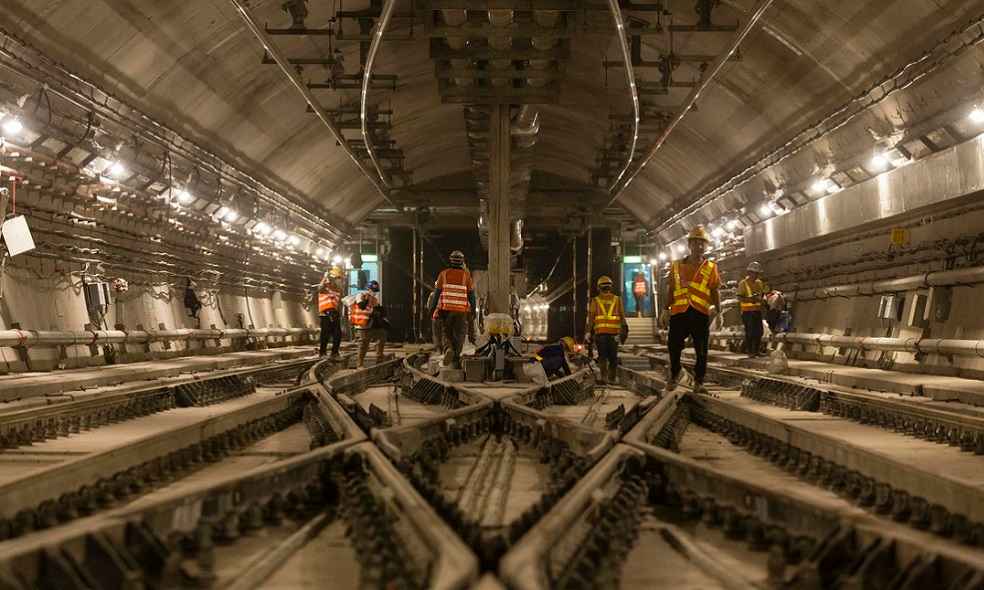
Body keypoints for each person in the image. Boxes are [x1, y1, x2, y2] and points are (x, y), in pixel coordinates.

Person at [660, 226, 721, 393]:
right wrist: (665, 310)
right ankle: (674, 375)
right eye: (696, 243)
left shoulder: (710, 267)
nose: (699, 246)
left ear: (706, 246)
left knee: (702, 350)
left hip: (700, 313)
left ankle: (699, 382)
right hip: (679, 312)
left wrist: (719, 312)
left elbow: (714, 290)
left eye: (702, 243)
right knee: (674, 346)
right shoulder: (676, 266)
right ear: (690, 245)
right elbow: (671, 289)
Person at [429, 250, 476, 369]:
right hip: (461, 311)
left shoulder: (443, 274)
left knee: (446, 333)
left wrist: (431, 309)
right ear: (462, 262)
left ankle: (448, 349)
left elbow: (436, 295)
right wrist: (474, 310)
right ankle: (455, 359)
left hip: (446, 311)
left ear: (450, 261)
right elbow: (471, 296)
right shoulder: (466, 276)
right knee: (459, 335)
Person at [585, 275, 628, 385]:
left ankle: (604, 378)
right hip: (614, 334)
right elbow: (622, 317)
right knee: (613, 357)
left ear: (599, 287)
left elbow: (591, 318)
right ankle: (612, 379)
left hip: (601, 334)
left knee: (602, 357)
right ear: (610, 287)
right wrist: (625, 328)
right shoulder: (617, 299)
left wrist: (588, 332)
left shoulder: (595, 300)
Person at [351, 279, 386, 368]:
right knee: (363, 344)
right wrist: (367, 299)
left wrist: (381, 312)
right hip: (362, 324)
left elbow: (377, 310)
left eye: (375, 291)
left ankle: (379, 360)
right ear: (368, 289)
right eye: (373, 290)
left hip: (371, 323)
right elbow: (361, 306)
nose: (374, 293)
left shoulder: (374, 299)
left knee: (381, 337)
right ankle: (359, 364)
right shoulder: (361, 295)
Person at [737, 261, 768, 357]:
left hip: (757, 311)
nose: (756, 275)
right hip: (747, 312)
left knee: (759, 331)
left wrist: (763, 300)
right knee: (750, 332)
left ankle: (756, 351)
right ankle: (750, 352)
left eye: (758, 273)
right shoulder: (743, 283)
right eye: (755, 273)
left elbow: (761, 295)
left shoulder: (759, 283)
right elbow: (740, 298)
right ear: (749, 272)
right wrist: (750, 299)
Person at [317, 266, 344, 358]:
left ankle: (334, 352)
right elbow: (320, 288)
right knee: (325, 334)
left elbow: (337, 302)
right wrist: (325, 277)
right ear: (334, 278)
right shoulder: (325, 286)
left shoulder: (338, 289)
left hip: (334, 313)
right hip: (325, 313)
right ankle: (322, 352)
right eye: (339, 278)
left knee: (337, 334)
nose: (341, 280)